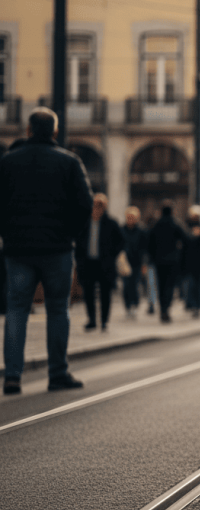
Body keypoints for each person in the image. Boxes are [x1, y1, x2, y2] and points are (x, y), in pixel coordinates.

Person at [1, 107, 93, 394]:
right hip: (57, 249)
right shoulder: (69, 162)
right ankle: (57, 373)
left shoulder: (8, 162)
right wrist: (70, 233)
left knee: (17, 309)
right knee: (57, 309)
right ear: (55, 132)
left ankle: (12, 376)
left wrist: (7, 233)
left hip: (18, 249)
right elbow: (85, 204)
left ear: (28, 130)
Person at [75, 193, 125, 332]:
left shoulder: (111, 223)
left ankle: (104, 321)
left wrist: (111, 254)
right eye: (95, 205)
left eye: (100, 205)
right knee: (88, 292)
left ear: (104, 207)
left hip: (105, 264)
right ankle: (91, 320)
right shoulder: (85, 222)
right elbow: (78, 241)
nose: (97, 208)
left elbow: (121, 241)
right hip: (88, 263)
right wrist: (79, 259)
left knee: (105, 293)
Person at [147, 202, 187, 324]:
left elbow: (149, 242)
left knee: (161, 285)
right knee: (169, 286)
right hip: (172, 261)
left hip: (159, 261)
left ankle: (162, 309)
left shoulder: (156, 224)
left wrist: (152, 257)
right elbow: (186, 238)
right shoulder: (175, 224)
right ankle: (166, 309)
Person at [121, 207, 147, 320]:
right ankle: (128, 305)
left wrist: (144, 263)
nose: (130, 219)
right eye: (129, 217)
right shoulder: (122, 230)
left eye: (132, 217)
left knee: (135, 284)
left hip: (137, 262)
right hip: (124, 262)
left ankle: (134, 304)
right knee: (126, 285)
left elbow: (145, 248)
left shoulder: (141, 231)